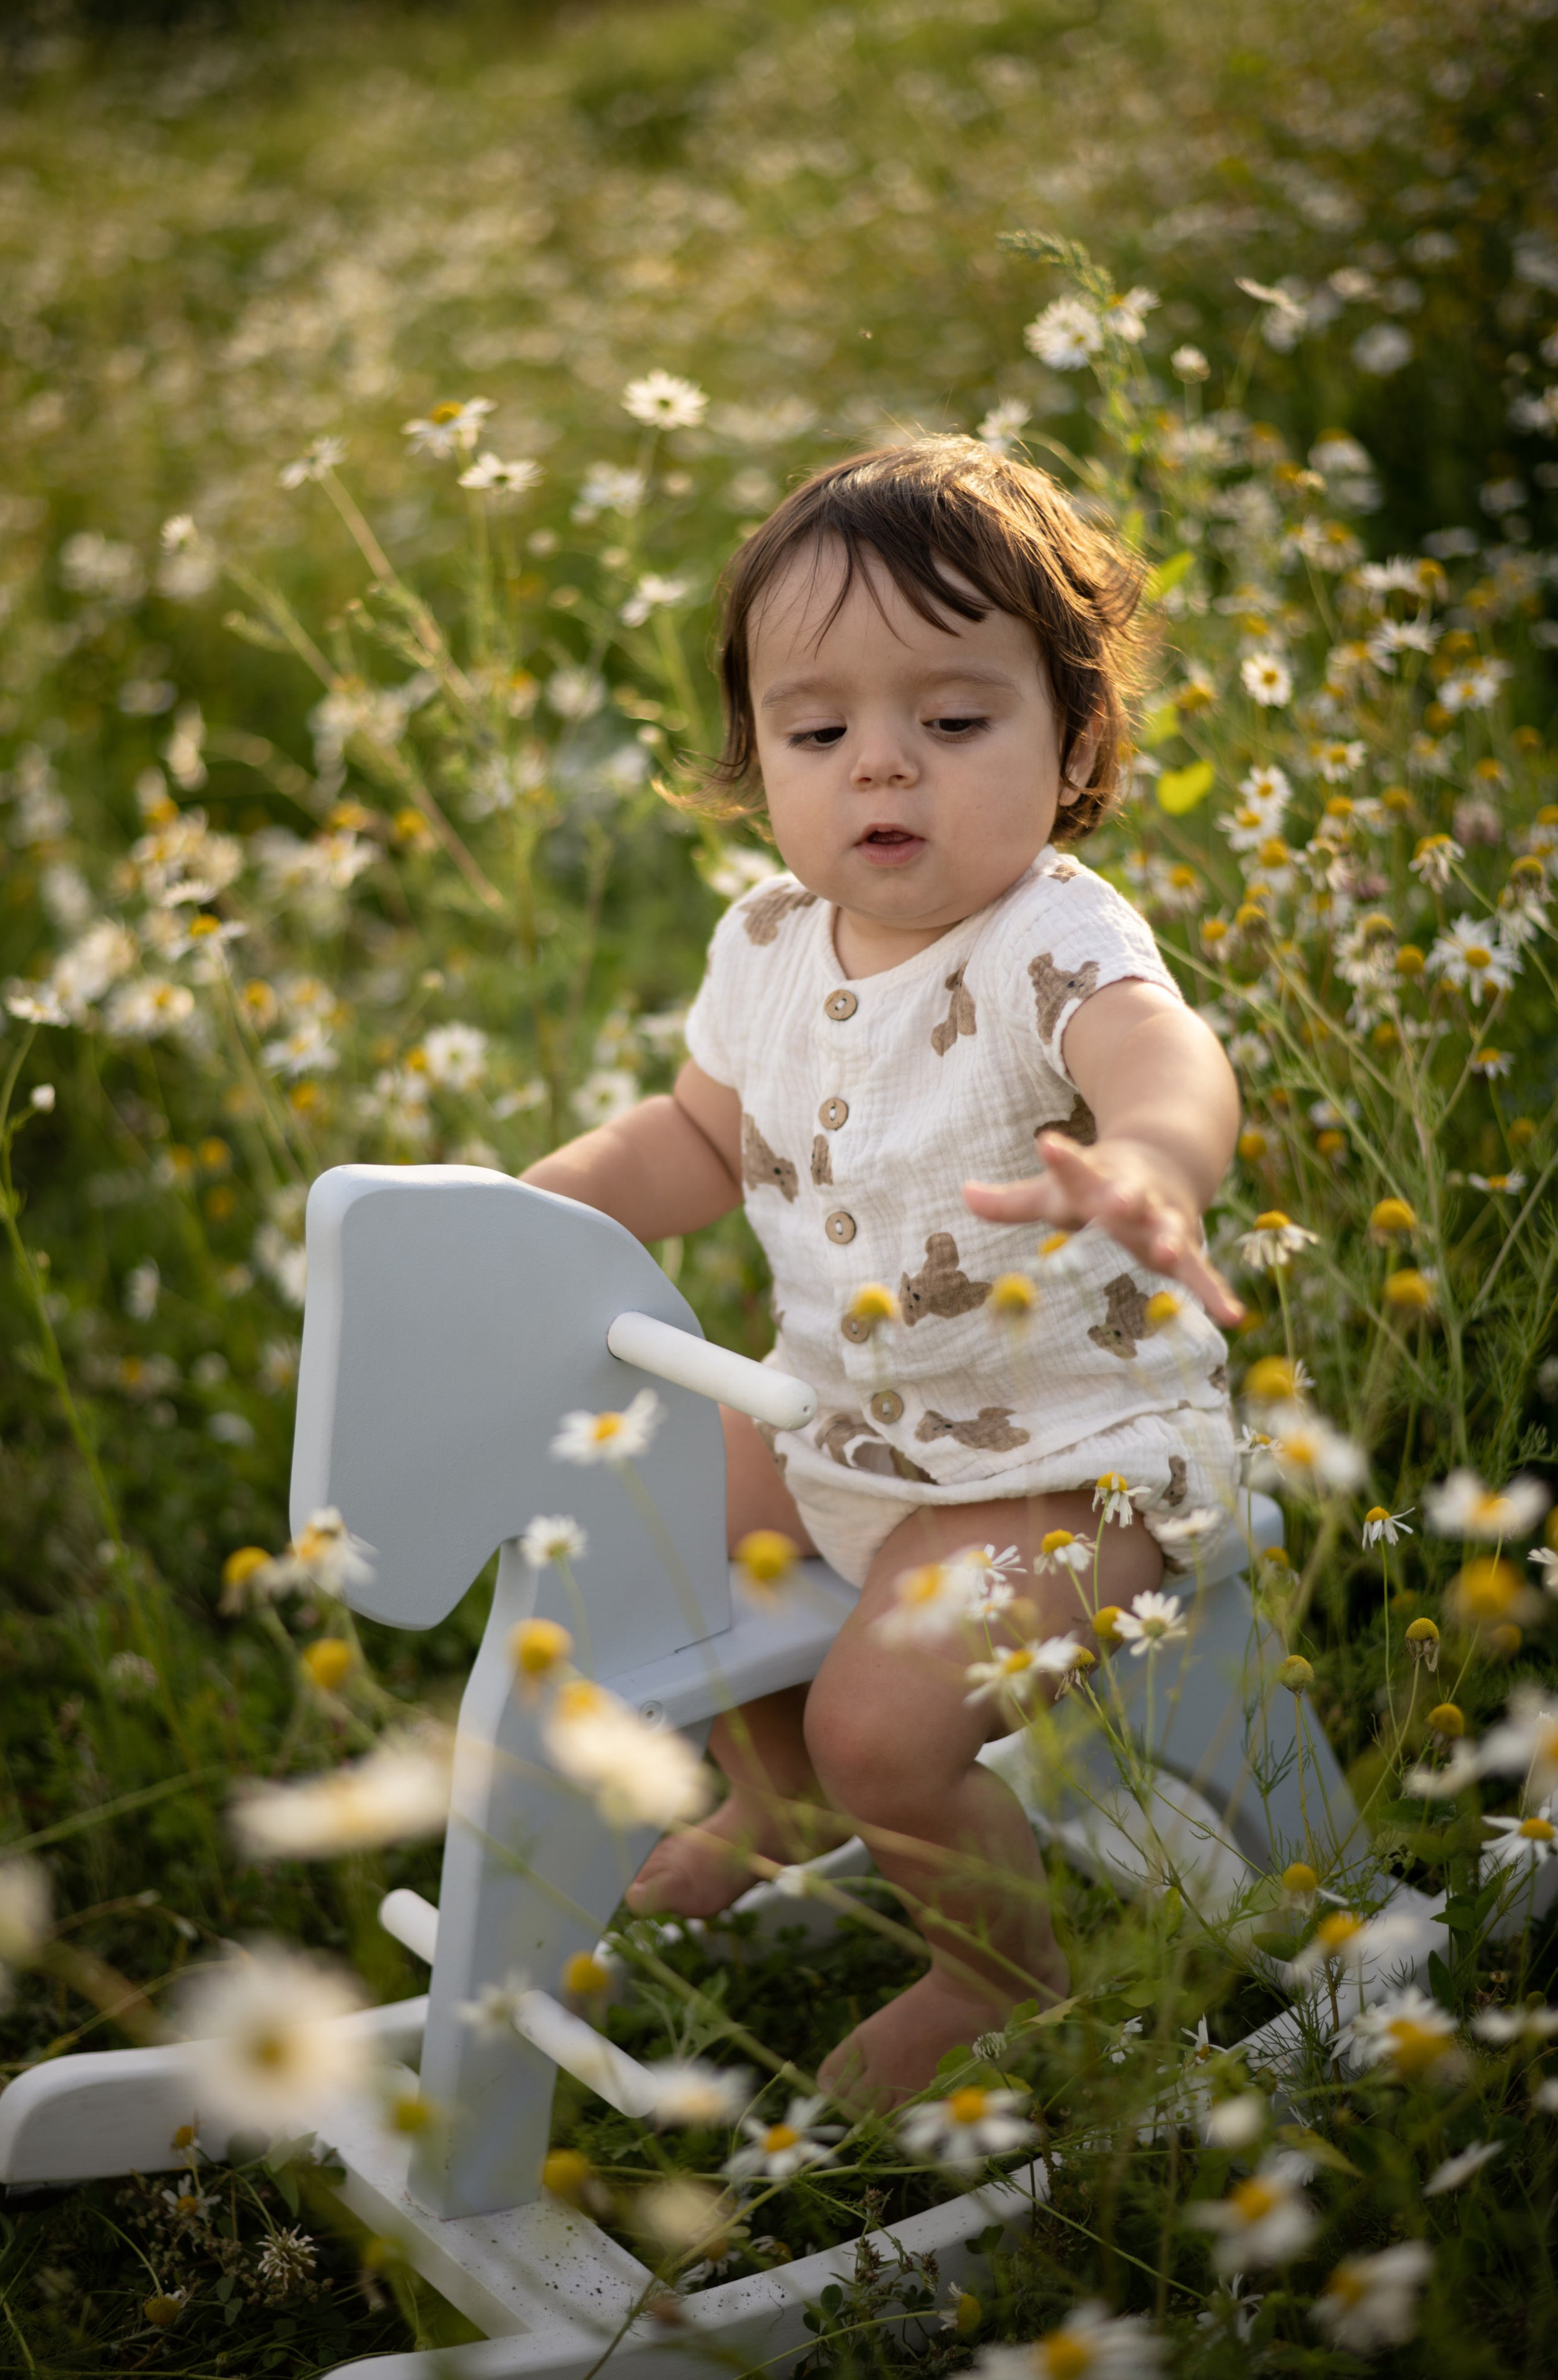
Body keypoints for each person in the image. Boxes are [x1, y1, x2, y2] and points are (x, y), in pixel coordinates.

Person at [522, 436, 1243, 2105]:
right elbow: (698, 1141)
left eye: (954, 720)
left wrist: (1150, 1163)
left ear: (1075, 747)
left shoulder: (1052, 939)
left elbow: (1165, 1059)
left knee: (888, 1727)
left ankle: (998, 1972)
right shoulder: (769, 941)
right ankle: (770, 1806)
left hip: (1070, 1465)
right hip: (848, 1418)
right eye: (822, 730)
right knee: (670, 1516)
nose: (883, 772)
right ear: (758, 758)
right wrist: (545, 1208)